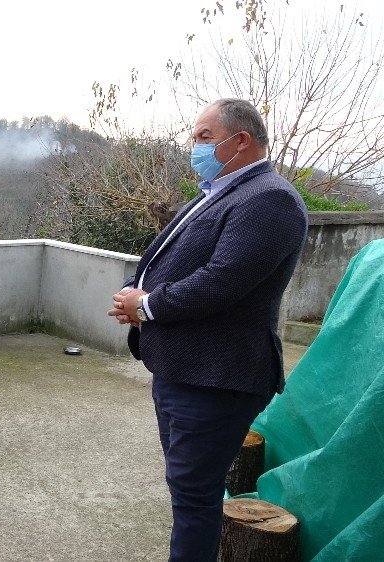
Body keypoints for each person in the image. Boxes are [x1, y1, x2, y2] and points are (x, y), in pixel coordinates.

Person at [108, 99, 308, 561]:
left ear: (240, 141)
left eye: (203, 137)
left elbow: (222, 281)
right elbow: (163, 260)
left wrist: (149, 306)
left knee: (194, 495)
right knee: (188, 486)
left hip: (218, 375)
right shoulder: (216, 193)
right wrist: (133, 292)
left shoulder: (270, 199)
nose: (194, 147)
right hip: (184, 368)